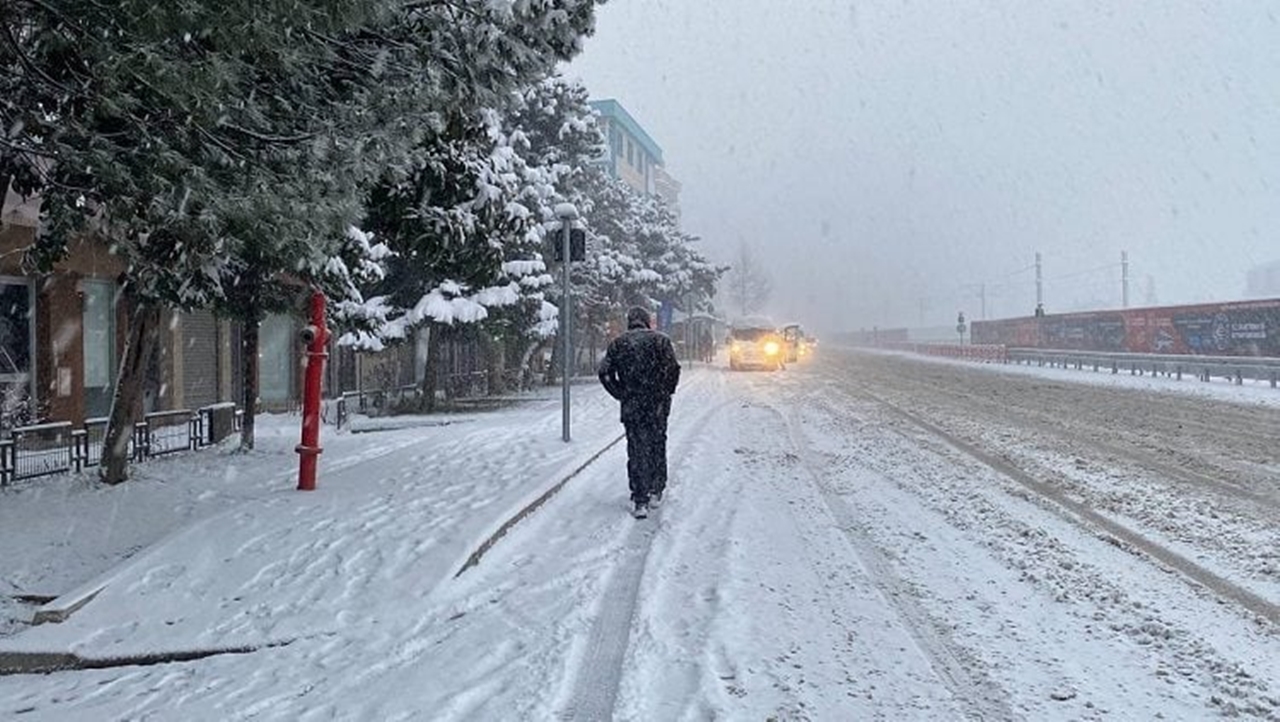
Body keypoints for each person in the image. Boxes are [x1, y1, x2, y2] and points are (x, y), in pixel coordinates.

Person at [597, 306, 681, 519]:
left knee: (636, 449)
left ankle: (639, 497)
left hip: (632, 405)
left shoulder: (619, 344)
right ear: (646, 321)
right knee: (657, 444)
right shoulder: (661, 341)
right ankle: (656, 488)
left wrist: (620, 393)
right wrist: (665, 392)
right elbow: (674, 369)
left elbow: (604, 372)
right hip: (657, 405)